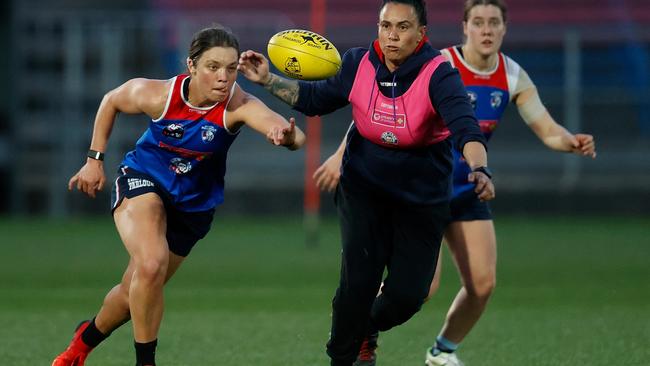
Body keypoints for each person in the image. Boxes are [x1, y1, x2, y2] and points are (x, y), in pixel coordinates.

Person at [313, 1, 598, 365]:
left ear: (504, 29)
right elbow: (378, 112)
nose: (486, 30)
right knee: (421, 290)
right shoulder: (436, 64)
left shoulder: (511, 76)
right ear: (464, 27)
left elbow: (546, 129)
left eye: (494, 23)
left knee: (482, 284)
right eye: (478, 22)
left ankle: (441, 351)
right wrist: (340, 156)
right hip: (421, 192)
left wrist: (569, 141)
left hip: (468, 190)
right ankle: (360, 329)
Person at [238, 1, 495, 365]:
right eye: (385, 25)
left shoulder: (439, 73)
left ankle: (362, 327)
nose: (392, 35)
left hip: (420, 199)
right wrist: (267, 80)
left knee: (409, 296)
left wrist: (480, 169)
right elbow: (314, 100)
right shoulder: (359, 62)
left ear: (422, 33)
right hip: (363, 189)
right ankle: (344, 354)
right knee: (357, 283)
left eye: (403, 27)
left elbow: (466, 127)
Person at [51, 26, 305, 366]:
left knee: (134, 293)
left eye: (231, 69)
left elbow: (297, 137)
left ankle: (79, 346)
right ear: (192, 66)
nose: (223, 77)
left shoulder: (237, 105)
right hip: (144, 179)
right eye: (213, 67)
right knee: (151, 264)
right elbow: (111, 100)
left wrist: (285, 136)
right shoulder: (158, 95)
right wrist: (93, 161)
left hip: (194, 206)